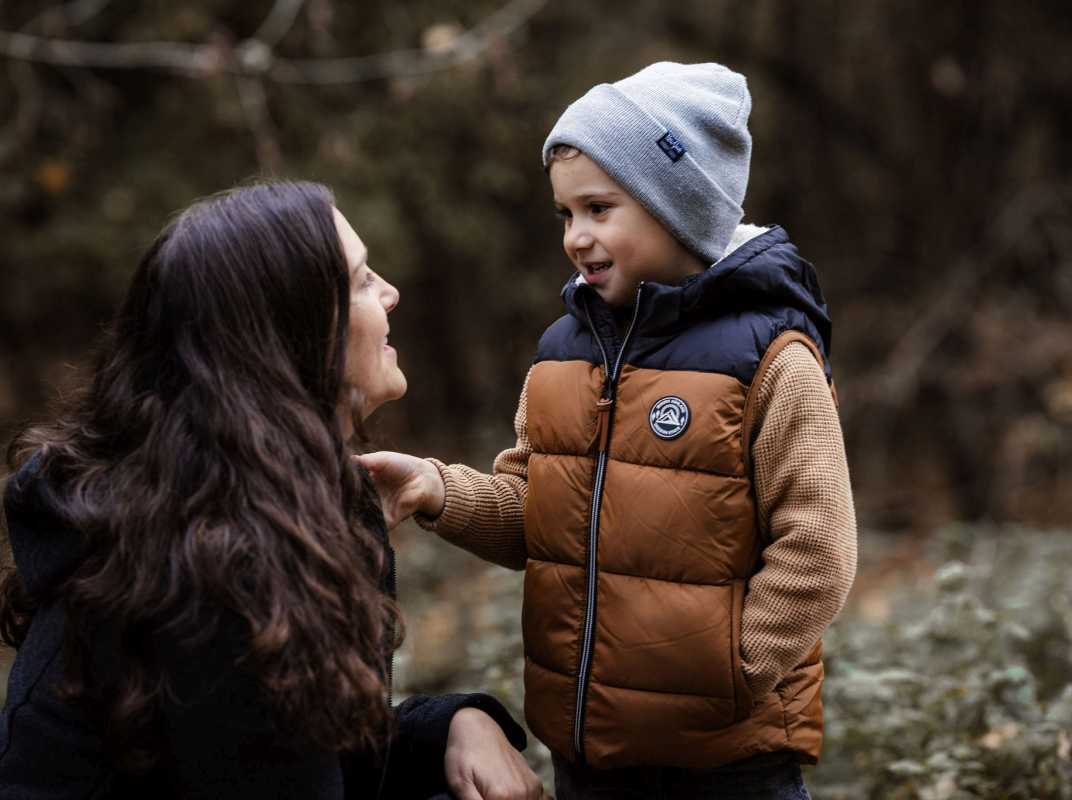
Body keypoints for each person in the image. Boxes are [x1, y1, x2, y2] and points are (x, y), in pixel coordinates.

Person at [0, 181, 546, 800]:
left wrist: (453, 724)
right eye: (363, 280)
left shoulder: (288, 502)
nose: (391, 294)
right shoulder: (209, 569)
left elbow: (307, 753)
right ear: (293, 334)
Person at [360, 63, 858, 798]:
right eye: (565, 215)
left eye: (598, 208)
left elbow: (819, 549)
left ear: (678, 205)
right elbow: (538, 515)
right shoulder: (564, 355)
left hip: (726, 767)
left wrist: (727, 668)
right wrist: (439, 490)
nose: (575, 236)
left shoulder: (772, 360)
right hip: (588, 759)